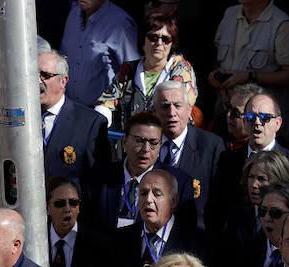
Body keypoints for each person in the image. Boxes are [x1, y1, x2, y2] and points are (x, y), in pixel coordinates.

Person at [84, 110, 191, 232]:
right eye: (139, 141)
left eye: (153, 143)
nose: (146, 149)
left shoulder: (178, 183)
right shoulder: (100, 177)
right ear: (124, 141)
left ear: (160, 145)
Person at [210, 0, 289, 135]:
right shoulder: (230, 14)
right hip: (225, 112)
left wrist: (250, 77)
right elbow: (217, 55)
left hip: (260, 123)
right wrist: (215, 74)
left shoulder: (281, 24)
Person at [94, 13, 196, 130]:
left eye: (165, 39)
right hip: (131, 141)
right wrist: (100, 122)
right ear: (143, 41)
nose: (159, 43)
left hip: (167, 140)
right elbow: (107, 101)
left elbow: (181, 110)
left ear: (171, 44)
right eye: (153, 38)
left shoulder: (182, 70)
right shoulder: (128, 69)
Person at [216, 90, 289, 209]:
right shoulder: (228, 160)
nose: (257, 122)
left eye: (265, 117)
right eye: (250, 117)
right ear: (244, 122)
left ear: (278, 123)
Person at [153, 81, 222, 231]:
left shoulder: (212, 146)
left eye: (178, 105)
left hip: (195, 235)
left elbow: (219, 204)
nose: (172, 113)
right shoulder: (145, 144)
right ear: (154, 111)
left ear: (189, 109)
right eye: (165, 106)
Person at [39, 50, 112, 191]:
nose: (37, 81)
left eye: (45, 76)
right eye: (33, 74)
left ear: (63, 81)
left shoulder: (92, 124)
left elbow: (98, 184)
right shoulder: (20, 118)